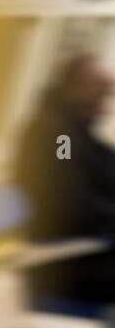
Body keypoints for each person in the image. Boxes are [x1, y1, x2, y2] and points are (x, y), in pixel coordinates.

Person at [13, 52, 115, 305]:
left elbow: (102, 161)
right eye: (100, 90)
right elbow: (68, 201)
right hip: (58, 253)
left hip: (84, 241)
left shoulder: (75, 129)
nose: (106, 100)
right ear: (74, 86)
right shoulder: (59, 136)